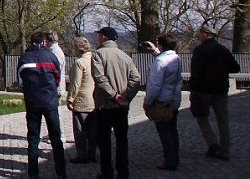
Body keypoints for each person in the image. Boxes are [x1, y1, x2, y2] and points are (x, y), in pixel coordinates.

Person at [91, 26, 140, 179]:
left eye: (99, 35)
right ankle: (123, 171)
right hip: (121, 106)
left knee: (104, 141)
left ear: (104, 37)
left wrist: (114, 95)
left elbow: (100, 78)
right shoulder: (125, 56)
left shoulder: (98, 54)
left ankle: (107, 172)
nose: (98, 38)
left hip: (105, 104)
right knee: (122, 140)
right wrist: (126, 97)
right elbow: (136, 79)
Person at [18, 31, 66, 179]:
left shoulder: (24, 58)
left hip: (32, 102)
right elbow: (57, 78)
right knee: (56, 138)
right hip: (50, 102)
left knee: (33, 139)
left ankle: (33, 174)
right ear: (44, 42)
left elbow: (21, 81)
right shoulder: (51, 57)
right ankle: (61, 172)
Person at [189, 23, 240, 161]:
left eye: (200, 34)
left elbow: (196, 72)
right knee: (223, 120)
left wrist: (193, 90)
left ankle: (212, 143)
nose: (199, 36)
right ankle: (225, 150)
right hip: (221, 90)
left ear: (205, 34)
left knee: (202, 117)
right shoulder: (223, 50)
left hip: (203, 90)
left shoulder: (199, 50)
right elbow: (235, 68)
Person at [144, 33, 182, 171]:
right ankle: (174, 157)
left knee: (165, 132)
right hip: (174, 99)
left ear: (161, 45)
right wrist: (155, 51)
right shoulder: (176, 58)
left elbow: (155, 85)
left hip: (162, 100)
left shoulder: (160, 62)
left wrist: (148, 102)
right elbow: (165, 61)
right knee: (172, 130)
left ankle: (169, 160)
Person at [66, 36, 97, 164]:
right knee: (93, 129)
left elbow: (75, 83)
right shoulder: (95, 59)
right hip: (94, 98)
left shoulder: (79, 62)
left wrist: (70, 98)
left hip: (82, 99)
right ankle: (92, 152)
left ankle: (82, 154)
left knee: (80, 130)